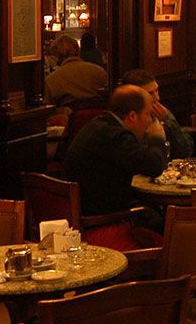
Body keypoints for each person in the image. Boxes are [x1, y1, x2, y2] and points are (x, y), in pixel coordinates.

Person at [63, 85, 170, 231]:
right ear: (132, 116)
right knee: (164, 222)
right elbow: (154, 166)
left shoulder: (101, 124)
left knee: (154, 210)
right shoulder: (115, 135)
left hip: (93, 206)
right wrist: (157, 137)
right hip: (100, 219)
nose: (150, 121)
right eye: (148, 115)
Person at [121, 68, 193, 159]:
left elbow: (186, 150)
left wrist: (168, 121)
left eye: (157, 91)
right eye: (150, 93)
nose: (157, 98)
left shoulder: (161, 114)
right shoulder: (129, 120)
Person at [44, 34, 108, 106]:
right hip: (98, 115)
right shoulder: (99, 71)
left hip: (69, 116)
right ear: (78, 50)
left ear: (56, 56)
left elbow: (48, 108)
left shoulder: (51, 80)